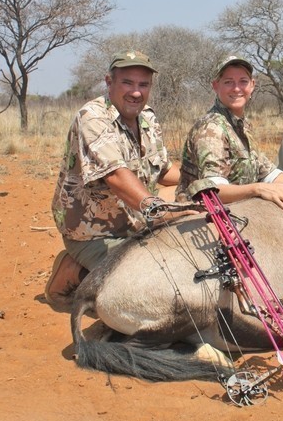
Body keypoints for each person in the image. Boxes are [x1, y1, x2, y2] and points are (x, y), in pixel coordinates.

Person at [46, 50, 192, 309]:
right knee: (143, 292)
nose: (135, 92)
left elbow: (163, 171)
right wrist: (158, 209)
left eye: (143, 84)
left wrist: (205, 181)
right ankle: (75, 274)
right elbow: (115, 176)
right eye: (127, 82)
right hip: (92, 232)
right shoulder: (92, 117)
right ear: (109, 82)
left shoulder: (147, 117)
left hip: (135, 223)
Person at [176, 55, 283, 213]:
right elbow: (214, 191)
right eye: (228, 82)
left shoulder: (242, 124)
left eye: (243, 81)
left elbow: (268, 173)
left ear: (252, 85)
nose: (236, 88)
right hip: (202, 219)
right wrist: (257, 189)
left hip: (239, 211)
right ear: (215, 86)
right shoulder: (211, 129)